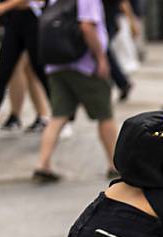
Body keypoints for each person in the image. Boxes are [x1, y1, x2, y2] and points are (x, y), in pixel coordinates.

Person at [33, 0, 116, 183]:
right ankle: (114, 164)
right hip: (84, 65)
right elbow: (87, 27)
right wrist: (101, 58)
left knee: (58, 116)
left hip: (55, 65)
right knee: (105, 115)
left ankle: (42, 164)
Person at [0, 0, 49, 142]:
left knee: (40, 72)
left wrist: (4, 7)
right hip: (14, 21)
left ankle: (60, 117)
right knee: (3, 73)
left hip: (33, 19)